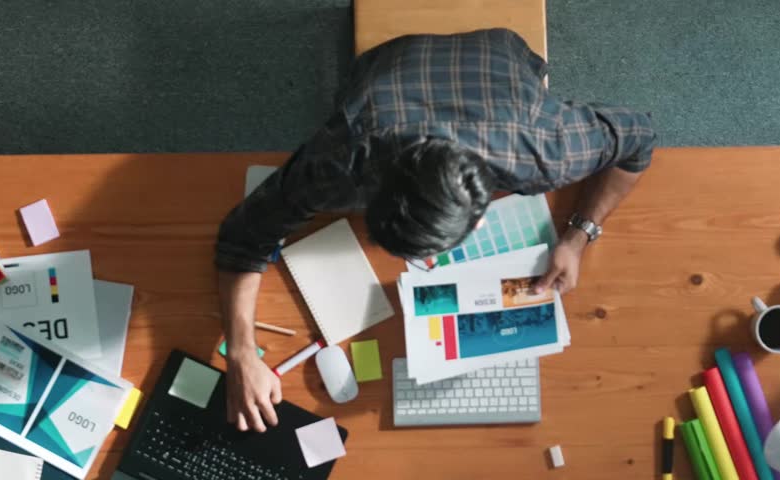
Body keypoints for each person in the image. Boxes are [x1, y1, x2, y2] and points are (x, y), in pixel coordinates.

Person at [215, 28, 655, 433]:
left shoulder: (544, 151)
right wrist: (239, 354)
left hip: (494, 58)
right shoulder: (341, 158)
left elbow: (640, 137)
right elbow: (244, 235)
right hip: (385, 63)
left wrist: (579, 235)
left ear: (481, 216)